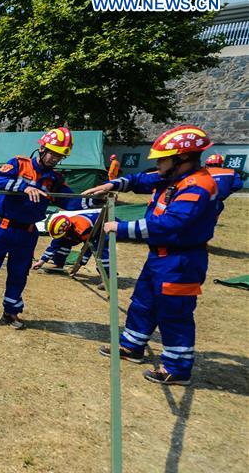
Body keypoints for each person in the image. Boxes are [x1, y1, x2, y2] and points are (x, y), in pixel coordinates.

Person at [83, 125, 219, 386]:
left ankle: (177, 368)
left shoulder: (197, 187)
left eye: (162, 159)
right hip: (160, 257)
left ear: (181, 158)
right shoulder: (173, 178)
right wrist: (113, 183)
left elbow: (169, 225)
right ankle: (132, 346)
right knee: (143, 302)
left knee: (174, 313)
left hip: (181, 261)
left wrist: (120, 229)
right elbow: (140, 180)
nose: (158, 164)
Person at [0, 128, 95, 330]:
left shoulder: (54, 179)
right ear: (42, 148)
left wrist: (95, 199)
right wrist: (23, 187)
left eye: (59, 156)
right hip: (2, 228)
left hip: (27, 233)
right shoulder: (18, 163)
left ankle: (11, 312)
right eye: (53, 153)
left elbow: (71, 202)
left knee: (19, 273)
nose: (55, 159)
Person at [32, 212, 109, 287]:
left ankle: (107, 277)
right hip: (82, 231)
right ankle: (58, 264)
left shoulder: (83, 229)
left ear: (68, 230)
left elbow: (88, 248)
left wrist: (78, 265)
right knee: (63, 242)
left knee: (101, 250)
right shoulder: (66, 226)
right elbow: (55, 244)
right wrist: (42, 261)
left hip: (101, 229)